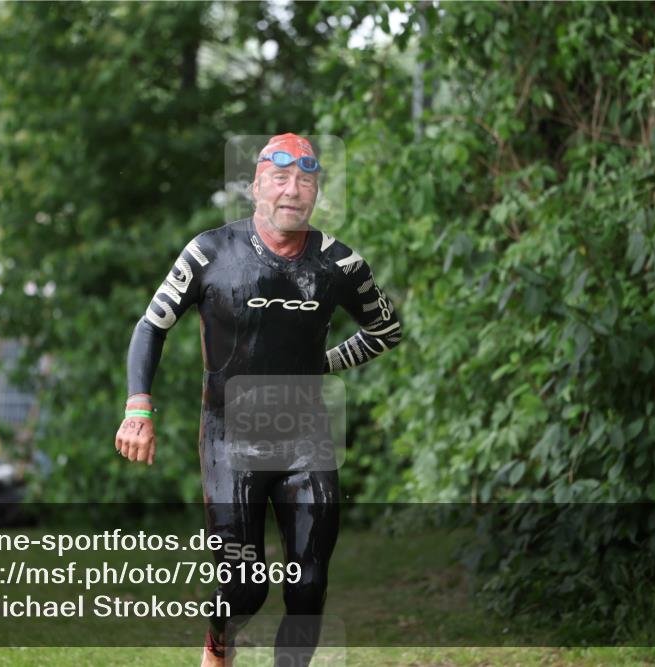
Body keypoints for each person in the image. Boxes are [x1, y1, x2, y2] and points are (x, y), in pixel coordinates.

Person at [116, 133, 403, 666]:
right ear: (256, 188)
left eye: (305, 181)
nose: (292, 191)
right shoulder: (209, 252)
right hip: (231, 439)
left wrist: (325, 363)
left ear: (315, 193)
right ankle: (217, 649)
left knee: (309, 585)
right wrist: (138, 407)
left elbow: (386, 329)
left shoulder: (339, 264)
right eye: (280, 178)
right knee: (245, 589)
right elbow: (151, 326)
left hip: (306, 439)